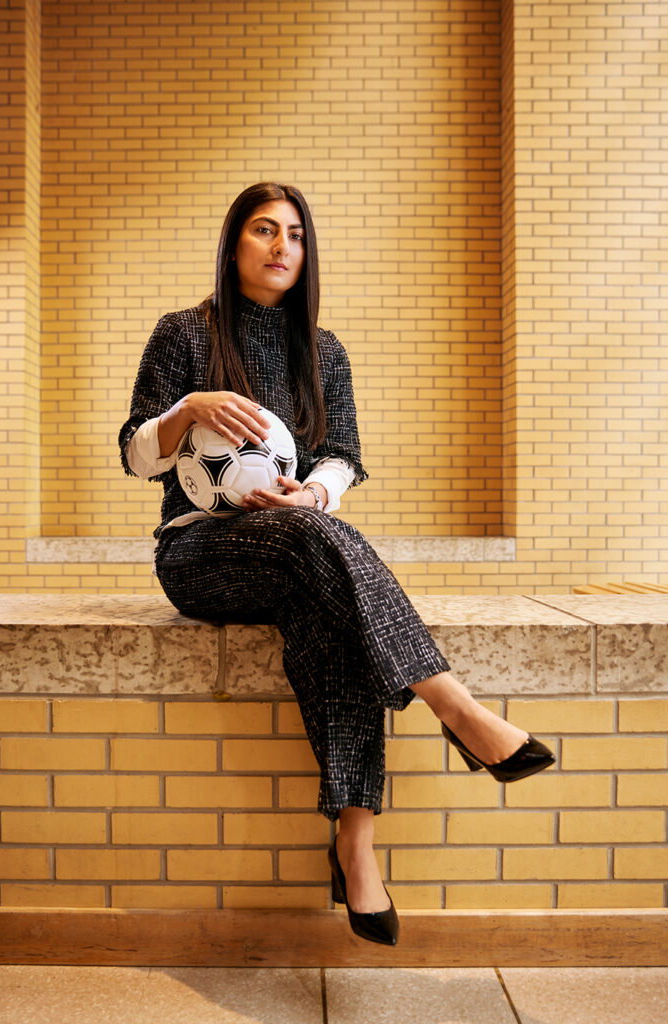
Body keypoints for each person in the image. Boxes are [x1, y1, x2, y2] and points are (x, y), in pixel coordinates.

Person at [118, 182, 555, 946]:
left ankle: (357, 847)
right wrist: (188, 408)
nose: (282, 245)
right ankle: (457, 709)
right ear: (232, 245)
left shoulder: (322, 351)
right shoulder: (183, 334)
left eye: (295, 234)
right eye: (263, 230)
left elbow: (343, 457)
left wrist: (311, 493)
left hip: (296, 543)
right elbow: (133, 457)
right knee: (323, 552)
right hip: (200, 550)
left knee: (328, 593)